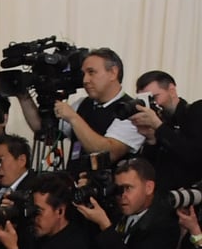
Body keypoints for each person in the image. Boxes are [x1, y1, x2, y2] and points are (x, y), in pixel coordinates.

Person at [16, 47, 144, 165]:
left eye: (91, 72)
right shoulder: (82, 104)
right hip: (73, 184)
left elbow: (107, 152)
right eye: (84, 74)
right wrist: (24, 98)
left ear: (113, 73)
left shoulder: (131, 110)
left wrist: (73, 118)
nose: (85, 80)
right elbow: (46, 132)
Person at [78, 158, 180, 249]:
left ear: (149, 187)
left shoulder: (164, 226)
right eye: (118, 189)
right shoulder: (114, 211)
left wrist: (105, 226)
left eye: (128, 188)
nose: (121, 196)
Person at [130, 70, 202, 193]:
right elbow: (149, 172)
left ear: (172, 90)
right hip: (161, 196)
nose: (154, 104)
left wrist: (158, 126)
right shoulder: (160, 123)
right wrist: (151, 139)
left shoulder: (195, 111)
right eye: (146, 100)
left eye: (154, 97)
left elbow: (193, 154)